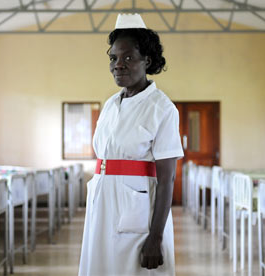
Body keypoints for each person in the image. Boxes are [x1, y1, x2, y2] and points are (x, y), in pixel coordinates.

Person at [78, 14, 184, 276]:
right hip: (102, 205)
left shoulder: (161, 108)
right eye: (113, 58)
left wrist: (155, 237)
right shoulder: (111, 104)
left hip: (137, 211)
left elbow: (168, 179)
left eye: (127, 58)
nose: (118, 65)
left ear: (147, 61)